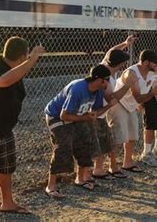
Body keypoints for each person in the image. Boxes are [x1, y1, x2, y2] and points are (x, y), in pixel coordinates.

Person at [0, 37, 44, 219]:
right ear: (22, 56)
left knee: (6, 168)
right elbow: (3, 82)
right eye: (26, 56)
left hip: (5, 129)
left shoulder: (14, 68)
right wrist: (33, 59)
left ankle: (7, 202)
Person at [44, 65, 116, 198]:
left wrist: (108, 106)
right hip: (56, 116)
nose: (109, 83)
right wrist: (84, 117)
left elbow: (94, 113)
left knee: (85, 142)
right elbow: (63, 115)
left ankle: (80, 178)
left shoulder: (98, 91)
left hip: (77, 116)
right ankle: (51, 185)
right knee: (63, 146)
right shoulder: (78, 89)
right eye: (107, 80)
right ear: (100, 80)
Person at [107, 50, 157, 174]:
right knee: (117, 136)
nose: (156, 65)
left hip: (131, 107)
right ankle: (112, 166)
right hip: (119, 104)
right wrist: (153, 93)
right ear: (146, 62)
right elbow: (137, 97)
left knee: (132, 136)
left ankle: (127, 162)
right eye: (154, 63)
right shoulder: (132, 73)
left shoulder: (150, 72)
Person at [92, 36, 137, 179]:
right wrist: (127, 85)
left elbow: (111, 51)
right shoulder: (107, 78)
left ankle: (103, 168)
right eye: (123, 62)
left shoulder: (105, 64)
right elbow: (111, 99)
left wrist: (125, 44)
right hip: (97, 113)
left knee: (105, 140)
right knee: (102, 140)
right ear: (119, 64)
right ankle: (98, 169)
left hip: (99, 112)